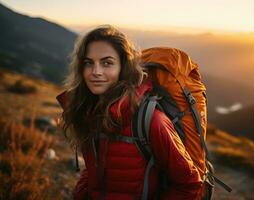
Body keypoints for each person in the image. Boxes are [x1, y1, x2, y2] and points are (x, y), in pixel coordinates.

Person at [57, 24, 203, 200]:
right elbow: (92, 169)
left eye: (107, 63)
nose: (95, 72)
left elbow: (190, 184)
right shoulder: (88, 113)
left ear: (123, 68)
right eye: (89, 63)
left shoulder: (151, 120)